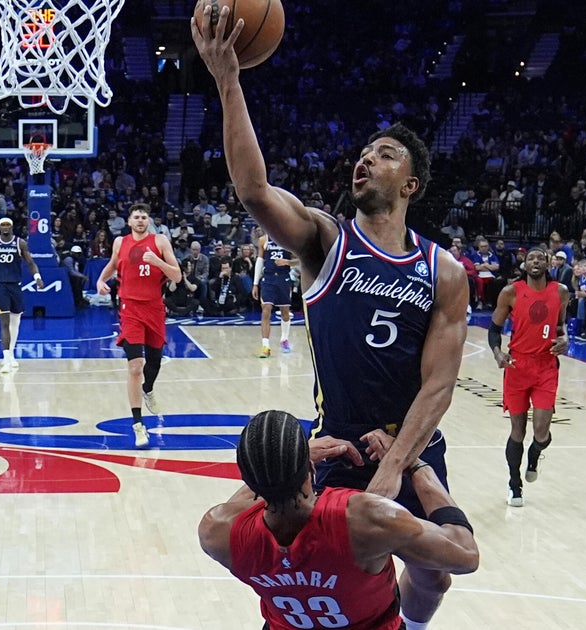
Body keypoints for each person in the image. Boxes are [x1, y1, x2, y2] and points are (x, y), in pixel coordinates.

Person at [194, 12, 469, 628]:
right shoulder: (325, 240)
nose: (367, 160)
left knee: (436, 572)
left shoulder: (442, 270)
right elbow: (254, 190)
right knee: (336, 569)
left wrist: (398, 465)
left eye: (386, 154)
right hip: (340, 438)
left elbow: (440, 384)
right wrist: (229, 81)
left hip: (412, 442)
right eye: (365, 153)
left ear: (412, 184)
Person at [198, 411, 479, 630]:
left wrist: (290, 461)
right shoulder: (362, 518)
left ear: (247, 481)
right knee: (432, 584)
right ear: (309, 466)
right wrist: (415, 464)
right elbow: (465, 555)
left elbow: (236, 507)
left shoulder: (216, 533)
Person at [488, 247, 570, 507]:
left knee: (541, 432)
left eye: (540, 258)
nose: (535, 261)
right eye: (530, 258)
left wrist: (565, 339)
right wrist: (497, 352)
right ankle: (515, 484)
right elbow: (494, 329)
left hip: (546, 365)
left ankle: (535, 455)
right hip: (517, 366)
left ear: (548, 264)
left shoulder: (561, 292)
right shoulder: (510, 292)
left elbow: (560, 325)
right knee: (517, 430)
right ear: (524, 264)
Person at [96, 203, 182, 448]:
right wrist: (101, 279)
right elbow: (114, 264)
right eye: (137, 217)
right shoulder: (120, 242)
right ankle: (138, 425)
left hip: (154, 308)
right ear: (129, 221)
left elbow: (177, 276)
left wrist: (158, 262)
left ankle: (149, 389)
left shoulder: (160, 242)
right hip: (130, 309)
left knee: (154, 363)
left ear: (149, 221)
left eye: (144, 217)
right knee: (135, 366)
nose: (141, 220)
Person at [0, 217, 44, 373]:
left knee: (15, 322)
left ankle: (11, 355)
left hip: (15, 284)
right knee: (4, 321)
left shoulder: (20, 243)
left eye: (8, 224)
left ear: (12, 226)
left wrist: (37, 277)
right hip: (0, 285)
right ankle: (6, 359)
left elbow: (30, 262)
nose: (5, 227)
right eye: (3, 225)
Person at [254, 232, 296, 357]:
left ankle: (284, 339)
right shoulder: (263, 240)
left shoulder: (289, 239)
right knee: (266, 309)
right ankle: (265, 346)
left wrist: (288, 262)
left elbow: (300, 260)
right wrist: (255, 283)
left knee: (285, 312)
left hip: (284, 279)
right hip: (268, 279)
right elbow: (259, 261)